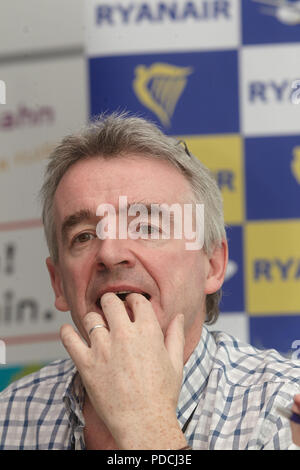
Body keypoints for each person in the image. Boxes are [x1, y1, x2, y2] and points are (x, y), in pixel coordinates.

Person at [0, 112, 300, 450]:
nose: (110, 253)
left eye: (145, 227)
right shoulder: (10, 415)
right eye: (83, 236)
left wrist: (146, 425)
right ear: (58, 283)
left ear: (213, 265)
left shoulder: (283, 409)